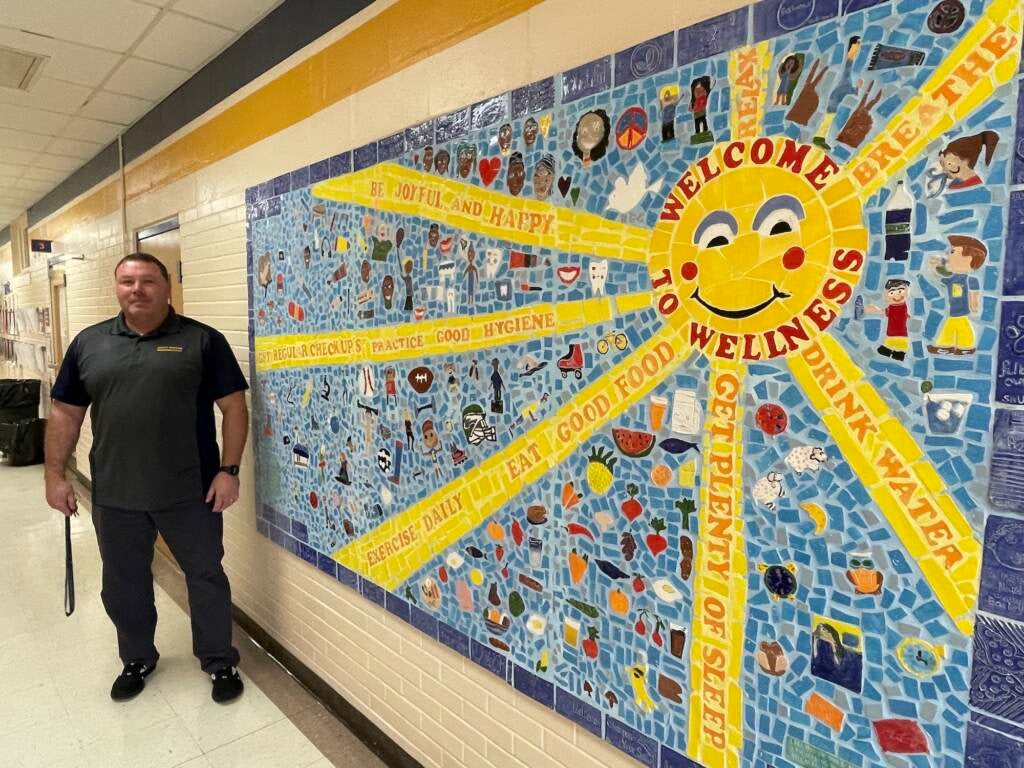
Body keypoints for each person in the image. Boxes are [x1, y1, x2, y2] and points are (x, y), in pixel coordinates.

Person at [45, 253, 249, 704]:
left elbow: (234, 407)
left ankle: (219, 661)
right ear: (116, 287)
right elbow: (64, 413)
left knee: (205, 576)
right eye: (126, 281)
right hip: (116, 492)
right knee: (123, 582)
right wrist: (54, 475)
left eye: (147, 281)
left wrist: (229, 470)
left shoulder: (203, 341)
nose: (136, 289)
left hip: (191, 491)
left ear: (167, 286)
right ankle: (137, 658)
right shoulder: (89, 343)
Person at [927, 235, 986, 355]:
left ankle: (965, 347)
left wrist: (974, 305)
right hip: (953, 311)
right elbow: (941, 276)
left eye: (952, 252)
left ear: (969, 258)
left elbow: (974, 294)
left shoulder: (971, 280)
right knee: (952, 327)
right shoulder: (953, 278)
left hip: (963, 311)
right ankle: (948, 346)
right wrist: (934, 267)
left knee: (961, 327)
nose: (948, 256)